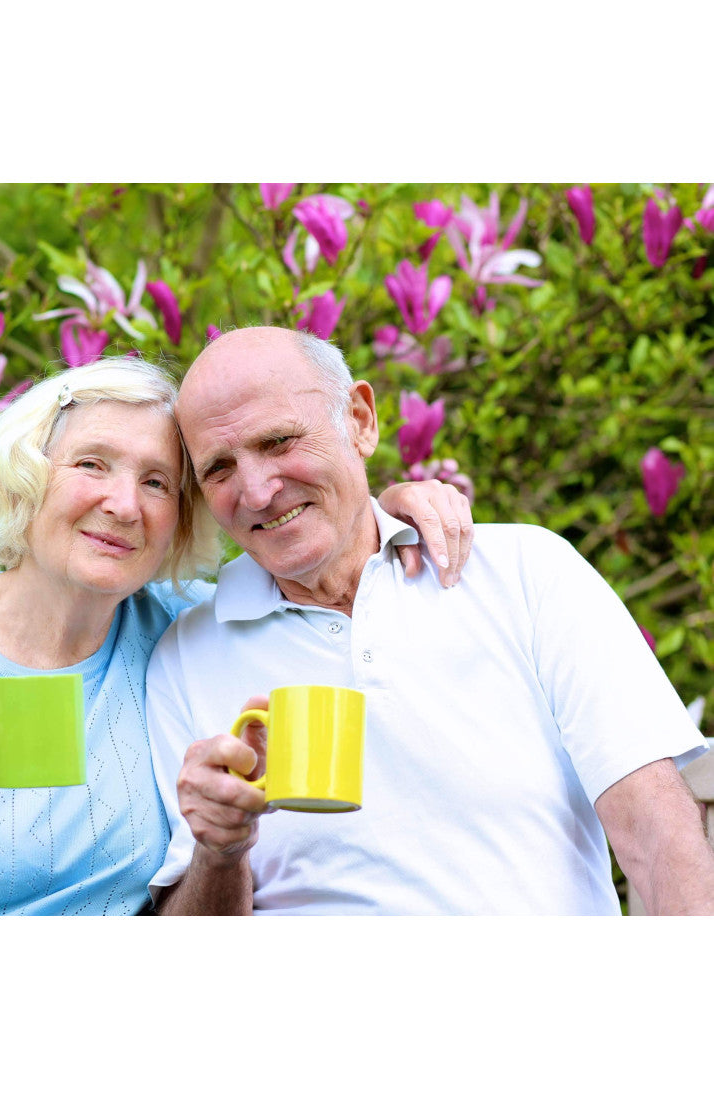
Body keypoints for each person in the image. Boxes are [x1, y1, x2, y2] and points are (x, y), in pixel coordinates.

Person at [0, 356, 470, 916]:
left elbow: (313, 567)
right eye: (92, 465)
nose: (123, 505)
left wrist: (392, 508)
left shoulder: (188, 634)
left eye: (158, 483)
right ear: (28, 477)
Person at [145, 325, 714, 916]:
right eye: (219, 469)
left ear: (360, 421)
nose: (258, 491)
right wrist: (219, 849)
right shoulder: (185, 655)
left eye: (280, 442)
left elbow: (655, 829)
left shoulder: (523, 573)